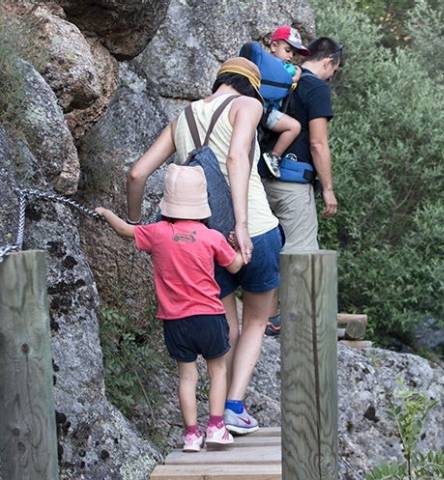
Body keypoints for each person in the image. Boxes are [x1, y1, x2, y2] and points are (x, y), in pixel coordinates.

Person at [126, 57, 282, 435]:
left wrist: (135, 225)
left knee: (225, 323)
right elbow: (235, 156)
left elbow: (136, 173)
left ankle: (215, 418)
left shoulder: (183, 118)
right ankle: (233, 406)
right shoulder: (249, 105)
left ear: (219, 81)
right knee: (257, 320)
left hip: (202, 240)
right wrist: (242, 226)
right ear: (252, 87)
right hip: (257, 231)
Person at [96, 164, 243, 451]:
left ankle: (190, 435)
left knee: (187, 377)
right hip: (209, 316)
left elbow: (127, 230)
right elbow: (235, 265)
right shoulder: (211, 237)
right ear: (201, 203)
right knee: (218, 372)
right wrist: (236, 246)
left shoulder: (157, 233)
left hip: (175, 320)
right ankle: (215, 428)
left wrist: (106, 214)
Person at [261, 36, 343, 336]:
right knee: (301, 251)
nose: (332, 76)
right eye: (334, 70)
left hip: (263, 177)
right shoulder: (315, 88)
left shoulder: (283, 79)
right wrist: (328, 188)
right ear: (327, 62)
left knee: (272, 248)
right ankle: (296, 323)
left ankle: (268, 316)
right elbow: (318, 143)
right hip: (293, 182)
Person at [239, 25, 310, 177]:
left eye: (294, 53)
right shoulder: (285, 69)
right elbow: (292, 76)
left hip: (255, 112)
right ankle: (275, 156)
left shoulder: (260, 62)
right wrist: (298, 74)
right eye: (288, 50)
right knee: (294, 127)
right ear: (273, 45)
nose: (291, 56)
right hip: (266, 113)